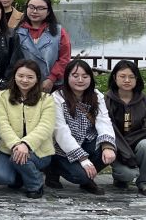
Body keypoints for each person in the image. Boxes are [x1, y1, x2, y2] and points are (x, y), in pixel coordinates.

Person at [47, 59, 117, 194]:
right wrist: (83, 159)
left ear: (90, 78)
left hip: (87, 141)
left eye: (85, 76)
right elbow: (61, 131)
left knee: (110, 150)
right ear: (67, 77)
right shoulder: (57, 97)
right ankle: (53, 169)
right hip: (62, 149)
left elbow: (103, 120)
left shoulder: (96, 95)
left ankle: (88, 179)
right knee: (79, 176)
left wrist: (107, 146)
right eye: (75, 76)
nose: (80, 80)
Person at [0, 59, 56, 198]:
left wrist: (26, 144)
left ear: (37, 78)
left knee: (19, 159)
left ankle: (35, 184)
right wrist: (17, 145)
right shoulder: (2, 97)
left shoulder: (46, 99)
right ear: (14, 76)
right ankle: (24, 174)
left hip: (39, 150)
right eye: (20, 76)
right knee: (2, 177)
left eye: (30, 77)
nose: (25, 80)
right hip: (9, 149)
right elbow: (2, 125)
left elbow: (45, 126)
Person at [105, 60, 146, 196]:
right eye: (122, 76)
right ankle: (121, 178)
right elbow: (108, 129)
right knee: (126, 174)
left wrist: (129, 146)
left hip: (139, 145)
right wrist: (124, 150)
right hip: (116, 148)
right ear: (115, 77)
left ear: (137, 79)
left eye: (131, 77)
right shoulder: (106, 101)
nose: (127, 80)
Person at [15, 0, 71, 92]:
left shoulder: (58, 32)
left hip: (52, 84)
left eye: (40, 8)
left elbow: (64, 57)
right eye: (31, 7)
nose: (34, 11)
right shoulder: (17, 32)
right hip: (24, 83)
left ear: (48, 11)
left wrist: (51, 78)